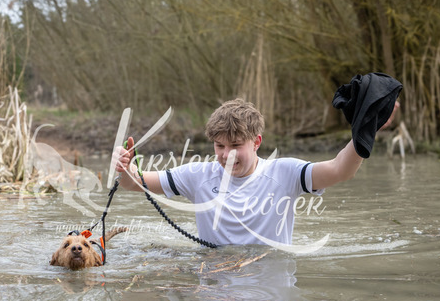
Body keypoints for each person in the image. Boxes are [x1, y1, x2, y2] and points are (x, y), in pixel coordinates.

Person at [113, 98, 397, 246]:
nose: (226, 155)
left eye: (236, 145)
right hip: (215, 283)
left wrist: (366, 131)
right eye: (219, 146)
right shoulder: (197, 175)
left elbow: (339, 170)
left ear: (256, 142)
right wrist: (126, 167)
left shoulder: (285, 172)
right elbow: (136, 184)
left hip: (268, 280)